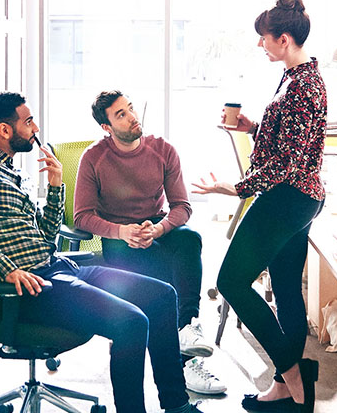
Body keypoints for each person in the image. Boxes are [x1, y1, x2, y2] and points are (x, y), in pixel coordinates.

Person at [0, 91, 235, 413]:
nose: (35, 128)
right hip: (27, 287)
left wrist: (56, 188)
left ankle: (177, 412)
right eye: (28, 122)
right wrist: (5, 268)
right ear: (4, 130)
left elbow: (44, 238)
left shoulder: (10, 173)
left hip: (57, 265)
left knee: (162, 296)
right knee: (132, 322)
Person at [192, 0, 327, 413]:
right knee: (286, 286)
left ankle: (295, 377)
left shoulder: (303, 86)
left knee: (230, 280)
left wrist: (233, 188)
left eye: (264, 39)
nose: (260, 45)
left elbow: (289, 161)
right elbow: (291, 136)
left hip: (287, 198)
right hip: (300, 197)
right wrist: (255, 126)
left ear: (284, 39)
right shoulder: (299, 75)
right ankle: (286, 389)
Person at [73, 90, 226, 396]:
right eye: (121, 115)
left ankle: (187, 331)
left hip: (156, 228)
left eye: (130, 109)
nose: (132, 117)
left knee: (188, 240)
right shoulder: (93, 158)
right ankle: (180, 364)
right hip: (118, 238)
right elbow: (82, 217)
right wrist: (122, 232)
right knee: (159, 278)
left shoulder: (162, 150)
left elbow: (182, 206)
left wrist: (160, 229)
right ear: (107, 127)